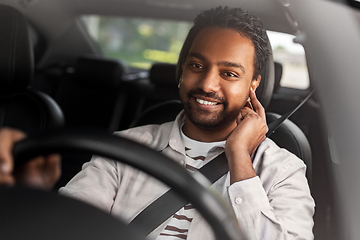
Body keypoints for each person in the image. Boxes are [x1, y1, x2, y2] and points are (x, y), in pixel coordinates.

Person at [0, 6, 314, 240]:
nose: (206, 83)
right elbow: (68, 227)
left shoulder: (283, 170)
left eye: (229, 73)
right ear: (182, 69)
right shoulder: (122, 149)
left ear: (253, 84)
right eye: (196, 65)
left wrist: (239, 157)